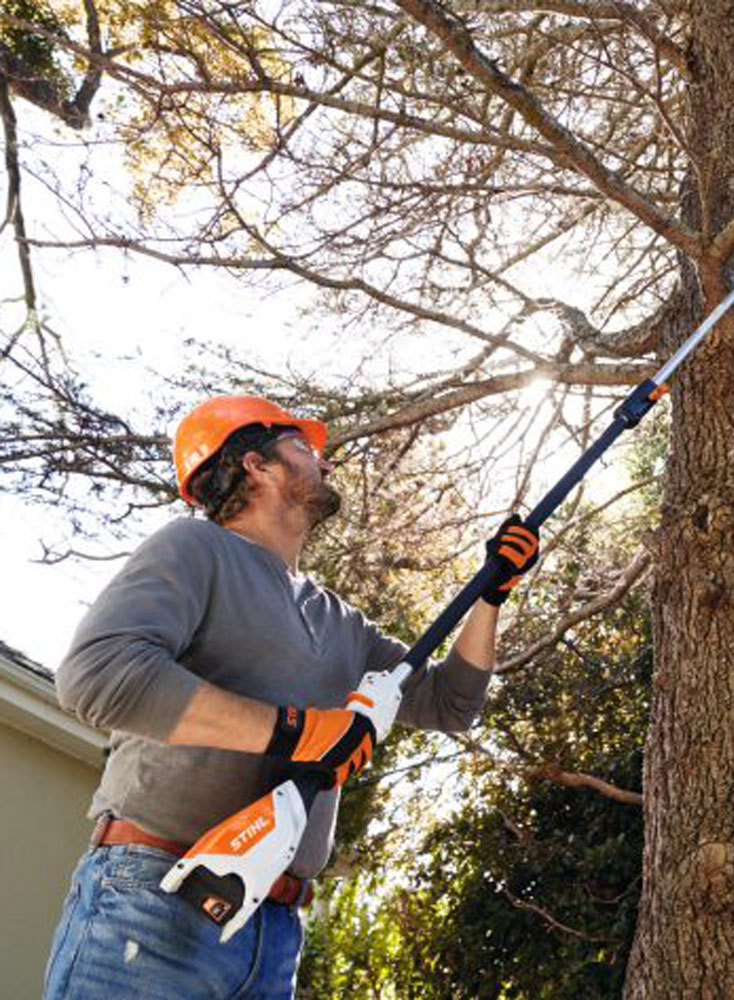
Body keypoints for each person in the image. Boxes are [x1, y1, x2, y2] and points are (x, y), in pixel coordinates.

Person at [43, 394, 539, 1000]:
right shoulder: (195, 550)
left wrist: (491, 595)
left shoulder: (339, 621)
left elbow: (451, 704)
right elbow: (97, 673)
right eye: (304, 447)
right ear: (257, 465)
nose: (324, 463)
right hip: (153, 905)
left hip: (274, 933)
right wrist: (296, 730)